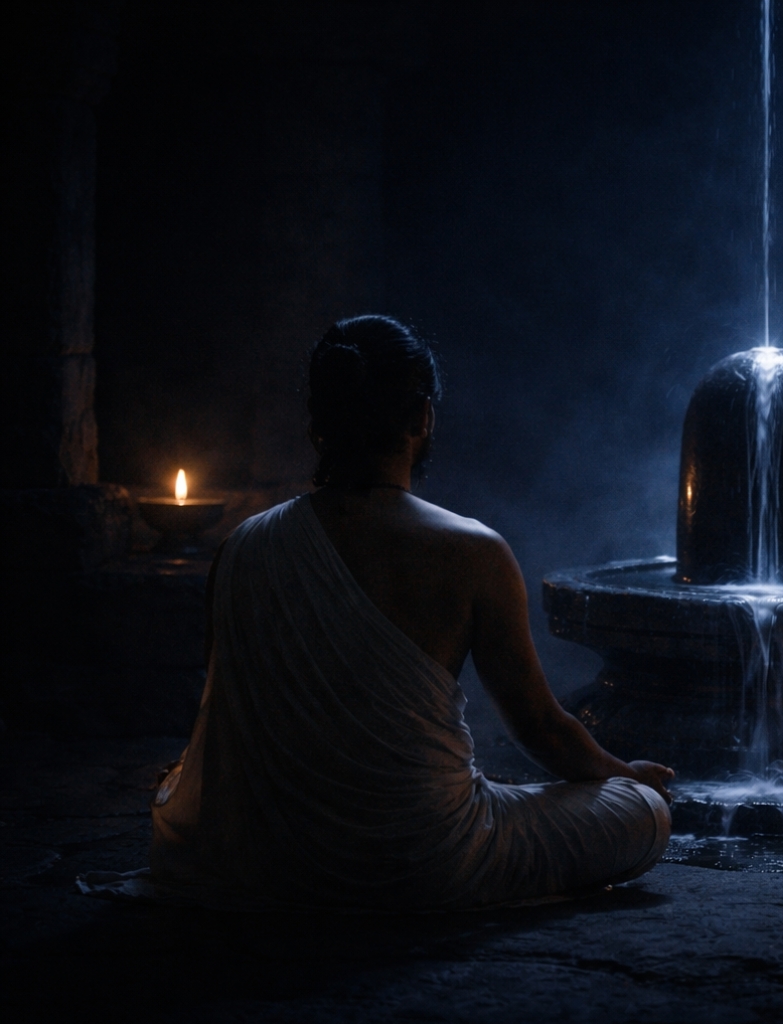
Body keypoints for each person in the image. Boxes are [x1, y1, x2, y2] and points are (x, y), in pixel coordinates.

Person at [145, 315, 674, 911]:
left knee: (178, 787)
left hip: (245, 857)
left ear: (319, 424)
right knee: (643, 813)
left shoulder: (242, 545)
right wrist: (624, 775)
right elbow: (543, 731)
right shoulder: (473, 550)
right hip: (416, 856)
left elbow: (227, 716)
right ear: (421, 416)